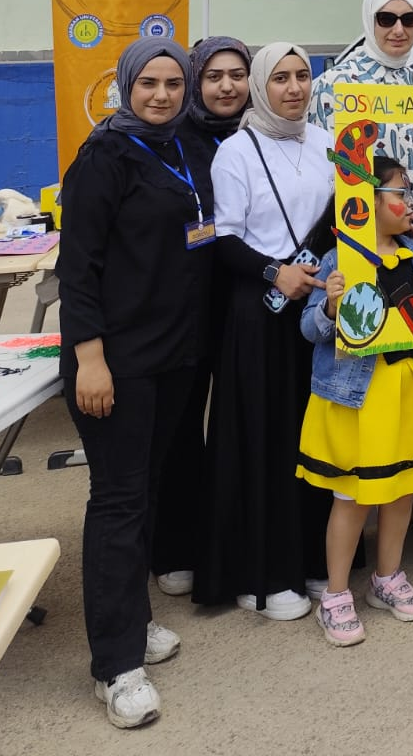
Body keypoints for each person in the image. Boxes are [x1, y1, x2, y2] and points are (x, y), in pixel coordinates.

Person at [57, 40, 214, 730]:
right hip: (115, 361)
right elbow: (77, 268)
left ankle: (133, 616)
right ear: (126, 86)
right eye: (148, 82)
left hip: (173, 354)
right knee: (118, 503)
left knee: (146, 490)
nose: (161, 94)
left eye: (173, 83)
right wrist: (89, 357)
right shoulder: (102, 158)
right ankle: (115, 669)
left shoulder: (181, 145)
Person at [194, 43, 335, 620]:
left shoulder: (327, 142)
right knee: (268, 440)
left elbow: (351, 215)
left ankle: (316, 558)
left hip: (317, 311)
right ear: (260, 86)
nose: (294, 88)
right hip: (261, 312)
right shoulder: (236, 151)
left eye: (302, 75)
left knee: (316, 434)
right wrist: (275, 272)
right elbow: (222, 237)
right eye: (280, 78)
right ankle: (267, 573)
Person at [296, 154, 413, 643]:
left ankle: (388, 577)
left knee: (402, 489)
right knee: (353, 496)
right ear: (366, 200)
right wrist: (330, 307)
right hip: (358, 397)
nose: (410, 202)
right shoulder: (337, 260)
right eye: (401, 192)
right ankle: (336, 595)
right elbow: (309, 328)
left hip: (411, 388)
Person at [151, 35, 251, 598]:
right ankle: (175, 545)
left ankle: (232, 542)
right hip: (186, 302)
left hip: (247, 298)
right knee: (182, 425)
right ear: (195, 81)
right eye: (213, 76)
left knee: (240, 424)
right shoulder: (170, 138)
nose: (227, 86)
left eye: (237, 74)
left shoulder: (263, 134)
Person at [309, 0, 413, 225]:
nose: (399, 30)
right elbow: (326, 164)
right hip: (365, 232)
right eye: (386, 19)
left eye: (409, 19)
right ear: (369, 20)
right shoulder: (334, 85)